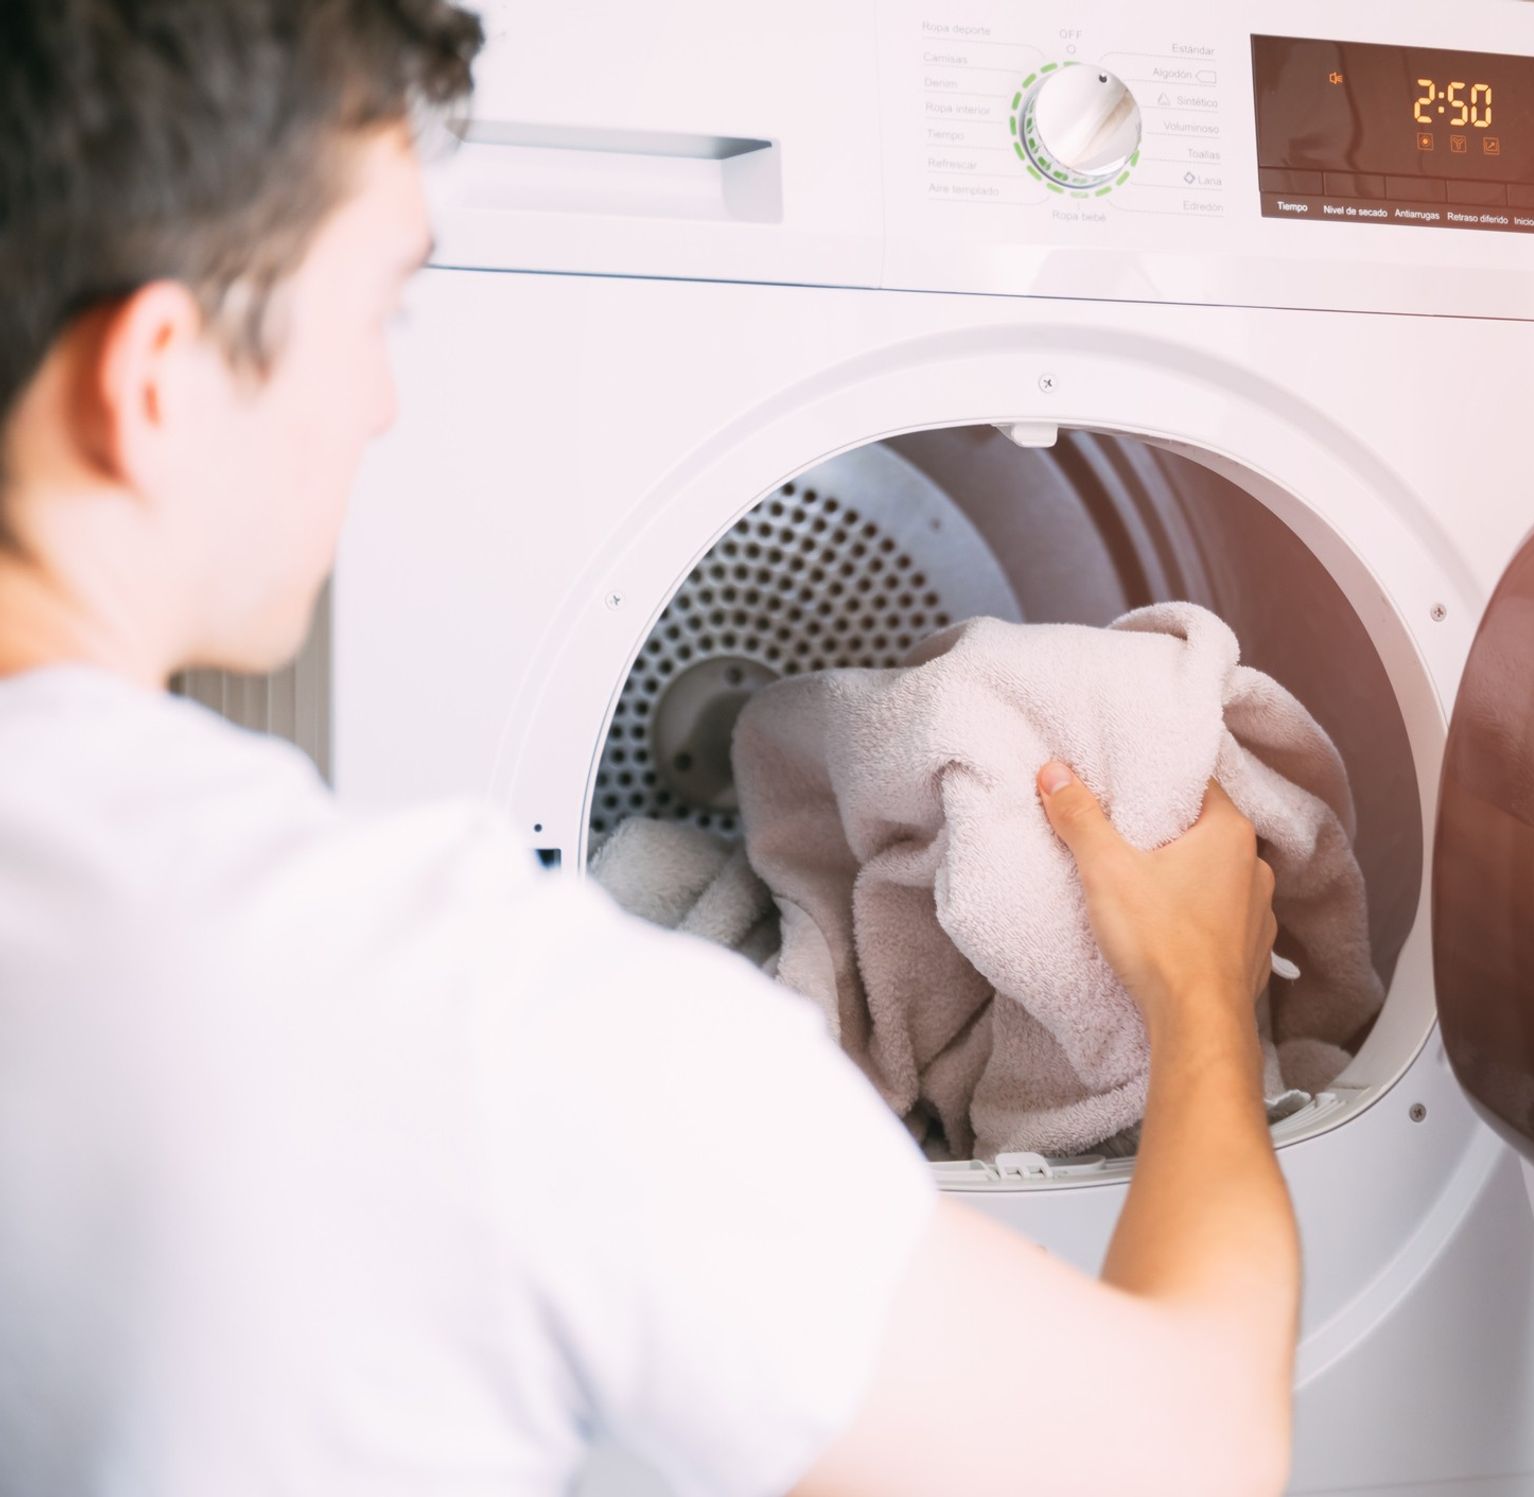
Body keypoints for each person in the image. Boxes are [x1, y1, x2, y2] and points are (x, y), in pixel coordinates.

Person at [0, 4, 1301, 1495]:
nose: (381, 401)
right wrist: (1201, 1005)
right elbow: (1191, 1449)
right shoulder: (454, 1020)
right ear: (154, 378)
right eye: (374, 315)